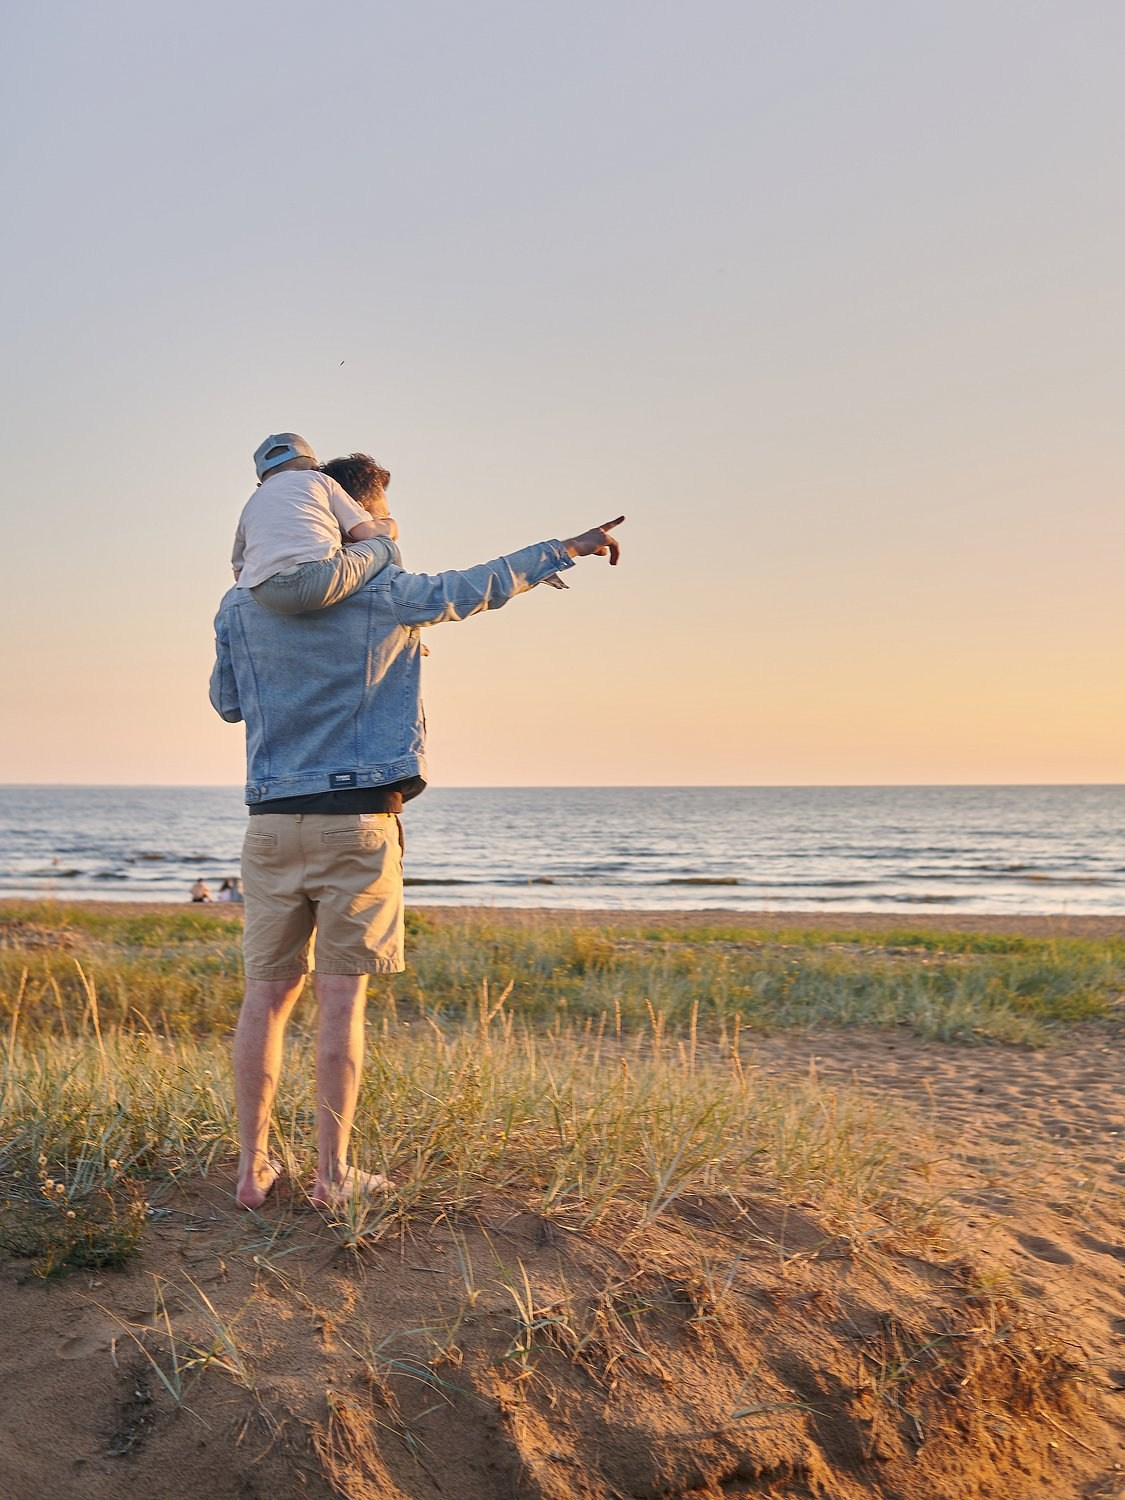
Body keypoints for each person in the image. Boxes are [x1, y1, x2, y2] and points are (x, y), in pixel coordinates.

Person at [211, 476, 624, 1211]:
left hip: (271, 823)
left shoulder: (241, 602)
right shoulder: (387, 591)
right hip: (358, 824)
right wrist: (566, 548)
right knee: (340, 1002)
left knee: (264, 1000)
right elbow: (477, 587)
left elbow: (227, 704)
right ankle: (331, 1176)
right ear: (358, 521)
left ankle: (251, 1171)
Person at [231, 433, 401, 616]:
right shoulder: (321, 481)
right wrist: (389, 526)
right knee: (385, 544)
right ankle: (400, 607)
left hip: (269, 596)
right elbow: (363, 531)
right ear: (314, 468)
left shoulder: (251, 503)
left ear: (261, 482)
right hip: (319, 578)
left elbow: (239, 572)